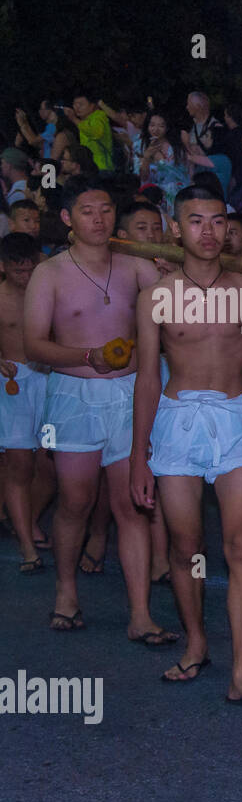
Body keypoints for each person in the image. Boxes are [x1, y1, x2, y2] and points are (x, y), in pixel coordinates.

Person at [130, 184, 242, 704]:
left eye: (218, 221)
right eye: (196, 221)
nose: (208, 232)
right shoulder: (156, 295)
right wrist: (139, 458)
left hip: (235, 419)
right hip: (176, 422)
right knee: (184, 546)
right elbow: (148, 378)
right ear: (176, 229)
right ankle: (196, 643)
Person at [22, 175, 179, 642]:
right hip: (71, 395)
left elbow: (169, 307)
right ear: (68, 219)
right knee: (74, 500)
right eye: (87, 211)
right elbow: (34, 345)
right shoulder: (48, 273)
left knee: (132, 504)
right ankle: (66, 591)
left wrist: (170, 271)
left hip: (130, 392)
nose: (99, 218)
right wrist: (85, 357)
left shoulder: (133, 266)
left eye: (106, 210)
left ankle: (140, 615)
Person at [0, 232, 56, 572]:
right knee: (19, 466)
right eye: (18, 271)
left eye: (30, 268)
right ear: (3, 267)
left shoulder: (49, 291)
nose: (25, 275)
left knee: (51, 464)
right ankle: (26, 548)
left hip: (50, 383)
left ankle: (29, 519)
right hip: (14, 387)